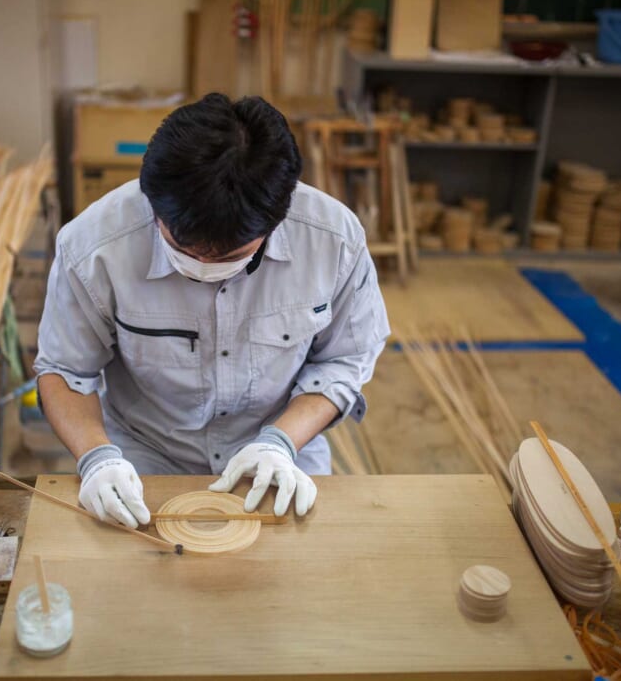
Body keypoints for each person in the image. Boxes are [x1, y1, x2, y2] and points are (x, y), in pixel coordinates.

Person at [35, 93, 389, 529]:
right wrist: (97, 458)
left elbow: (345, 359)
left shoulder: (332, 240)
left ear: (276, 218)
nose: (204, 269)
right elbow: (66, 370)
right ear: (153, 202)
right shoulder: (94, 247)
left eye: (229, 256)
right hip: (142, 461)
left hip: (283, 458)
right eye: (183, 250)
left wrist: (279, 442)